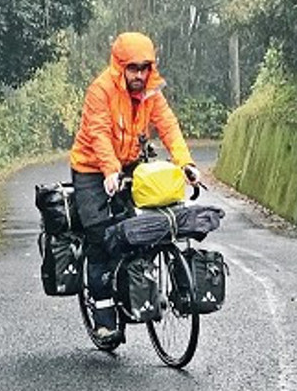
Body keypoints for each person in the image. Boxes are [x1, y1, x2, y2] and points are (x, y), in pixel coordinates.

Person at [69, 31, 199, 340]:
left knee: (139, 229)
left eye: (144, 68)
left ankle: (135, 288)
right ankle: (103, 316)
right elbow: (98, 132)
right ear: (119, 66)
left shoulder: (151, 93)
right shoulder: (100, 90)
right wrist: (110, 171)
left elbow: (168, 125)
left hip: (128, 165)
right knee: (102, 238)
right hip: (91, 169)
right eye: (133, 68)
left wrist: (186, 164)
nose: (139, 75)